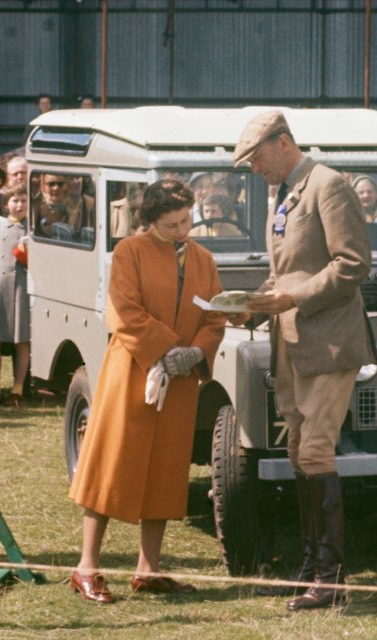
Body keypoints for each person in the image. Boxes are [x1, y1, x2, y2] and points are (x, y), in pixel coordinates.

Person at [233, 110, 376, 612]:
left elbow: (353, 264)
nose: (253, 170)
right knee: (297, 451)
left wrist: (291, 300)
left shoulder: (327, 185)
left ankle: (330, 577)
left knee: (315, 451)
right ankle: (311, 566)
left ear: (284, 143)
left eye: (255, 159)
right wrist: (256, 303)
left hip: (328, 342)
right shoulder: (290, 190)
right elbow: (293, 269)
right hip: (294, 341)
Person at [67, 179, 227, 603]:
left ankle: (148, 568)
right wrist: (167, 348)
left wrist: (195, 353)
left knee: (167, 470)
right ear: (150, 220)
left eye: (187, 220)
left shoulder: (205, 259)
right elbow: (123, 311)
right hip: (133, 372)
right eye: (172, 223)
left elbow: (215, 315)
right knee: (112, 462)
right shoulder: (128, 252)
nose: (182, 230)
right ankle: (86, 566)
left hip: (180, 382)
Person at [0, 185, 30, 406]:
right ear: (5, 204)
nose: (19, 205)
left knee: (22, 339)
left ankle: (17, 389)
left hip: (22, 286)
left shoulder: (34, 229)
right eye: (14, 201)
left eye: (23, 201)